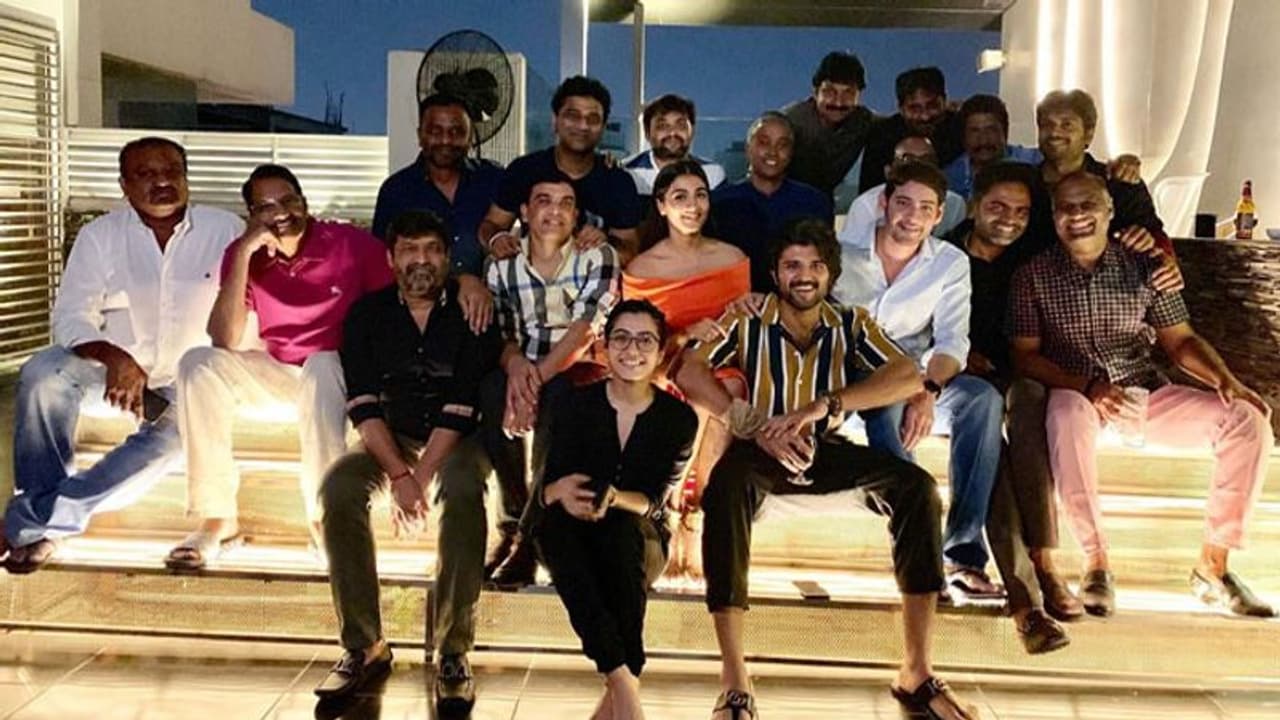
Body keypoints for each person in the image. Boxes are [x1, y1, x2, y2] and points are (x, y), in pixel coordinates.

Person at [677, 219, 980, 720]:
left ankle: (917, 670)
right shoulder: (747, 318)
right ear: (775, 273)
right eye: (792, 265)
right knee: (725, 489)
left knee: (917, 487)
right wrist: (748, 422)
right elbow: (688, 370)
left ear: (831, 274)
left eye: (816, 265)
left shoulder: (851, 322)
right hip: (760, 445)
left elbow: (908, 375)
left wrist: (827, 405)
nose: (804, 275)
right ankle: (734, 681)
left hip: (824, 444)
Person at [1011, 172, 1275, 619]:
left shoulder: (1145, 265)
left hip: (1142, 391)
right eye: (1066, 208)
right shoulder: (1032, 276)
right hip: (1078, 393)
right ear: (1053, 217)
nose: (1078, 215)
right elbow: (1024, 357)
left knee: (1248, 420)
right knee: (1066, 413)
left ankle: (1213, 566)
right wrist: (1089, 387)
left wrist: (1225, 380)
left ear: (1109, 211)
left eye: (1088, 204)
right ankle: (1096, 562)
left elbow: (1180, 341)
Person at [1, 138, 243, 573]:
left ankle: (32, 525)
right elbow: (71, 316)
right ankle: (43, 520)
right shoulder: (101, 236)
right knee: (43, 372)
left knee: (174, 442)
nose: (162, 181)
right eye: (145, 174)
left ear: (186, 177)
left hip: (189, 383)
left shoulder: (225, 230)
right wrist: (113, 357)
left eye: (171, 171)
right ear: (124, 185)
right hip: (110, 377)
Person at [312, 211, 505, 715]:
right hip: (391, 437)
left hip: (457, 438)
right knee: (339, 488)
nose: (422, 260)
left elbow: (462, 403)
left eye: (432, 250)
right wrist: (399, 473)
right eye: (410, 250)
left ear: (448, 258)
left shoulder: (472, 310)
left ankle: (453, 651)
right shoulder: (366, 315)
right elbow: (363, 404)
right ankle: (365, 646)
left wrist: (417, 478)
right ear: (391, 258)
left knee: (462, 488)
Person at [167, 164, 393, 569]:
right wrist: (244, 254)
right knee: (198, 363)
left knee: (322, 364)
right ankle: (218, 518)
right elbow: (224, 338)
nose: (281, 212)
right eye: (266, 206)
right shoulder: (242, 255)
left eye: (289, 200)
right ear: (252, 215)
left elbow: (393, 311)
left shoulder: (351, 244)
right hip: (281, 372)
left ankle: (327, 520)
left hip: (341, 375)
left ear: (304, 203)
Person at [834, 160, 1004, 606]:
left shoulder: (949, 263)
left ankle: (963, 555)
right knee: (886, 406)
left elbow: (952, 341)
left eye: (926, 208)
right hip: (856, 385)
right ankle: (921, 556)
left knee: (983, 400)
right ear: (885, 203)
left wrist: (928, 390)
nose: (912, 216)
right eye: (904, 203)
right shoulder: (841, 254)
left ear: (938, 215)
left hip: (919, 378)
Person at [533, 299, 699, 720]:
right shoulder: (574, 404)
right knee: (558, 532)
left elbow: (655, 501)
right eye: (621, 338)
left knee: (622, 535)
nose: (632, 350)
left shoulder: (678, 419)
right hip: (571, 531)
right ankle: (625, 683)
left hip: (641, 538)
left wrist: (616, 498)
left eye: (645, 340)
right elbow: (544, 487)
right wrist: (559, 491)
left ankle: (621, 684)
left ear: (660, 352)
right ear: (605, 348)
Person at [942, 162, 1078, 654]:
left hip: (1019, 378)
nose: (1010, 219)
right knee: (991, 447)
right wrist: (956, 359)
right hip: (963, 383)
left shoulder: (1034, 258)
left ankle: (1042, 561)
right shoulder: (943, 257)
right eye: (998, 207)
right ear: (974, 205)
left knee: (1028, 401)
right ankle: (1027, 599)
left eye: (1021, 211)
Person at [481, 169, 620, 588]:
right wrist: (517, 370)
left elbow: (585, 330)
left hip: (580, 365)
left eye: (565, 204)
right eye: (544, 201)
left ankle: (531, 535)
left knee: (561, 394)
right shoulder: (502, 265)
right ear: (524, 211)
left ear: (577, 215)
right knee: (491, 389)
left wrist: (534, 382)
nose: (555, 212)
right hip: (526, 365)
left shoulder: (597, 256)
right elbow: (502, 334)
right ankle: (512, 524)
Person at [622, 160, 751, 578]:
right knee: (701, 398)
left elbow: (744, 326)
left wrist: (734, 318)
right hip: (665, 363)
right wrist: (683, 335)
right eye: (680, 197)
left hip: (721, 362)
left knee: (727, 389)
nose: (692, 206)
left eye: (700, 196)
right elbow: (635, 338)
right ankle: (674, 506)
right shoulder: (642, 268)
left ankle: (692, 510)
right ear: (661, 205)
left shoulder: (731, 257)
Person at [371, 92, 501, 333]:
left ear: (470, 136)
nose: (445, 140)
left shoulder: (493, 180)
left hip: (490, 309)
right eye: (435, 131)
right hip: (421, 313)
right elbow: (384, 261)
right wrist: (460, 280)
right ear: (420, 135)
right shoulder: (396, 190)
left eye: (456, 132)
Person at [479, 75, 642, 261]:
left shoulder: (618, 182)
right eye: (573, 116)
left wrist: (606, 243)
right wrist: (496, 239)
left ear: (603, 127)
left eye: (593, 119)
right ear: (555, 121)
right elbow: (491, 224)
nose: (583, 126)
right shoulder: (524, 170)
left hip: (594, 277)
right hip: (531, 274)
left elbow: (630, 249)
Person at [1026, 89, 1171, 257]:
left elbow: (1156, 238)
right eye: (1046, 124)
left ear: (1089, 134)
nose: (1054, 133)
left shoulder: (1119, 183)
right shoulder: (1022, 185)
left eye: (1067, 125)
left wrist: (1160, 253)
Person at [710, 111, 832, 293]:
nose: (773, 152)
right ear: (748, 148)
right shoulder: (719, 202)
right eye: (764, 142)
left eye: (782, 145)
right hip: (734, 301)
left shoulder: (814, 203)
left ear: (792, 152)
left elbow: (824, 264)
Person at [780, 51, 875, 198]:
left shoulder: (862, 121)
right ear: (815, 92)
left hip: (822, 201)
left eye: (848, 93)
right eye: (830, 91)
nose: (838, 102)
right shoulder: (790, 121)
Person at [839, 135, 968, 243]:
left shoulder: (955, 203)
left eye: (926, 160)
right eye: (908, 160)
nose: (917, 167)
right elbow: (852, 250)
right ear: (889, 170)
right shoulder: (866, 204)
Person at [859, 67, 963, 193]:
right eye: (914, 108)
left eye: (932, 106)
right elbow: (869, 192)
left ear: (945, 101)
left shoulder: (963, 129)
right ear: (901, 109)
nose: (925, 116)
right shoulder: (882, 137)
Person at [622, 93, 726, 197]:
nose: (672, 133)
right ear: (647, 133)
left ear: (693, 131)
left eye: (681, 126)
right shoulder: (628, 172)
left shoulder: (712, 173)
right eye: (662, 126)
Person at [943, 95, 1041, 199]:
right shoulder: (950, 180)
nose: (983, 140)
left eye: (991, 130)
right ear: (963, 137)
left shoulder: (1034, 162)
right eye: (974, 131)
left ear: (1005, 132)